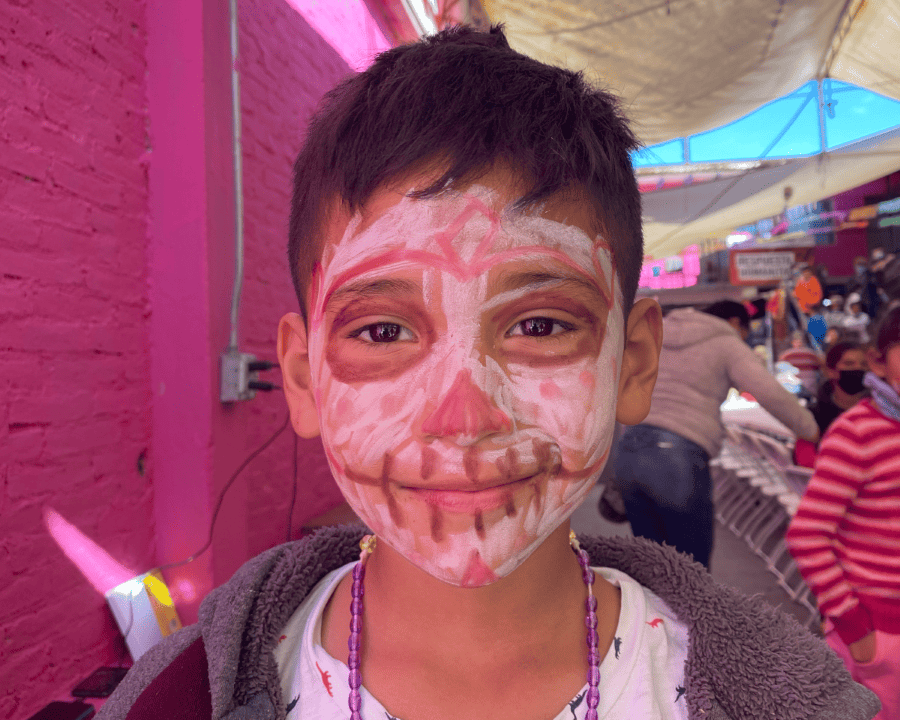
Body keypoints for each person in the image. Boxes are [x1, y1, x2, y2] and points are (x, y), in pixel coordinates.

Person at [96, 27, 878, 720]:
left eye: (540, 325)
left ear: (632, 363)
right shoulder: (181, 700)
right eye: (383, 329)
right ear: (303, 378)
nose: (465, 417)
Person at [614, 300, 820, 570]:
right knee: (693, 572)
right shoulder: (725, 341)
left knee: (655, 569)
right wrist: (812, 430)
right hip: (677, 455)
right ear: (735, 322)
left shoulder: (655, 335)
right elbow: (770, 393)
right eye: (744, 332)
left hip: (630, 450)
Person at [786, 304, 900, 720]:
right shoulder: (857, 434)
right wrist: (853, 625)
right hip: (879, 630)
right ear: (879, 361)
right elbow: (808, 534)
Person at [808, 341, 868, 437]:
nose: (858, 368)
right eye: (849, 364)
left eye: (864, 364)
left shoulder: (881, 408)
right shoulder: (815, 416)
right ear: (831, 371)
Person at [778, 330, 822, 396]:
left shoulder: (785, 355)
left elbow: (781, 368)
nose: (798, 344)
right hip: (809, 384)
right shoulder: (812, 354)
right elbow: (818, 367)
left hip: (794, 384)